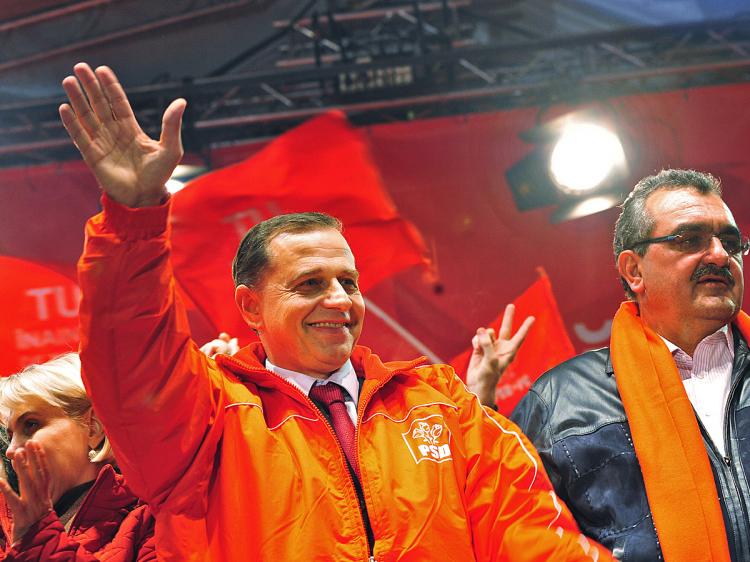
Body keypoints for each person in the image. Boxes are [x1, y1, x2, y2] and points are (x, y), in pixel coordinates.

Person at [61, 62, 612, 561]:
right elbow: (130, 368)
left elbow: (532, 536)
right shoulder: (206, 418)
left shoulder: (443, 406)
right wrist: (132, 219)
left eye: (348, 281)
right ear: (249, 306)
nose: (339, 300)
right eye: (308, 284)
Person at [511, 169, 750, 562]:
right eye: (690, 239)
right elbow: (523, 541)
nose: (721, 255)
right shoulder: (560, 402)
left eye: (729, 241)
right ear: (634, 271)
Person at [0, 353, 155, 560]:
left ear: (93, 427)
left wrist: (40, 538)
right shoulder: (5, 526)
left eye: (31, 424)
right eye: (10, 436)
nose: (10, 450)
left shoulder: (152, 520)